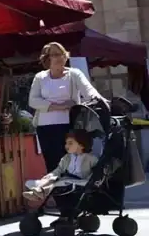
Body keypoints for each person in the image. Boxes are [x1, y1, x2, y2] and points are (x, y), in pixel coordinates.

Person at [28, 42, 103, 174]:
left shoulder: (74, 74)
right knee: (53, 165)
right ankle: (58, 193)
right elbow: (33, 101)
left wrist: (100, 100)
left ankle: (73, 191)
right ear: (47, 59)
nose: (60, 57)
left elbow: (89, 90)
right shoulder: (40, 77)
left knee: (71, 163)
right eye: (55, 55)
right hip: (45, 128)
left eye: (62, 54)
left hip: (68, 126)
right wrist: (59, 106)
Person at [23, 129, 97, 205]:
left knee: (59, 182)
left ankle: (39, 193)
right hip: (67, 178)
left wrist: (90, 181)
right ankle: (38, 190)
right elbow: (59, 169)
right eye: (66, 143)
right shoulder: (67, 158)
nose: (66, 146)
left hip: (80, 181)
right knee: (52, 178)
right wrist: (50, 175)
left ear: (81, 145)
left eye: (70, 143)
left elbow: (96, 173)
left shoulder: (91, 159)